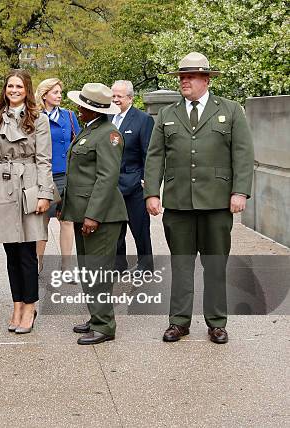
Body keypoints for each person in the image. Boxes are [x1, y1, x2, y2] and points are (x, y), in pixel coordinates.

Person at [144, 52, 254, 344]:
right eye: (181, 76)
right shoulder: (168, 114)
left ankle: (216, 322)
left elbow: (243, 154)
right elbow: (155, 156)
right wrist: (152, 193)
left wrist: (239, 191)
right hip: (179, 202)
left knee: (215, 264)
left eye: (190, 76)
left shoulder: (230, 110)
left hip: (217, 203)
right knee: (181, 264)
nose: (184, 81)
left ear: (206, 79)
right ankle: (178, 322)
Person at [0, 69, 54, 334]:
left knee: (26, 252)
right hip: (2, 184)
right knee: (10, 252)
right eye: (10, 86)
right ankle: (16, 305)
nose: (14, 90)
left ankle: (30, 306)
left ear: (27, 90)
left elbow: (44, 159)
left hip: (29, 184)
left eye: (19, 87)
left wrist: (45, 193)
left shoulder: (38, 119)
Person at [61, 83, 127, 345]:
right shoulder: (92, 130)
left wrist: (93, 216)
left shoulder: (109, 134)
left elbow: (106, 178)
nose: (78, 109)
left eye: (83, 106)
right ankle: (96, 316)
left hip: (102, 216)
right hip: (83, 212)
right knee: (89, 270)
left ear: (93, 110)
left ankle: (105, 326)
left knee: (98, 272)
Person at [34, 78, 81, 274]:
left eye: (60, 92)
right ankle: (37, 264)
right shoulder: (34, 116)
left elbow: (78, 143)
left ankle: (66, 265)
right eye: (55, 92)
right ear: (44, 95)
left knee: (67, 220)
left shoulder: (69, 116)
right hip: (43, 176)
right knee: (41, 221)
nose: (59, 95)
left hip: (66, 175)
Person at [109, 80, 154, 272]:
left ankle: (146, 265)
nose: (116, 99)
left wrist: (147, 182)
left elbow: (149, 154)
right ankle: (119, 265)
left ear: (130, 98)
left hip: (135, 184)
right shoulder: (107, 118)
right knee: (115, 229)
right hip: (111, 185)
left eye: (120, 96)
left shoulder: (143, 120)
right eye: (113, 96)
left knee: (140, 229)